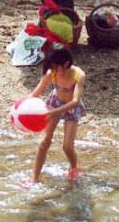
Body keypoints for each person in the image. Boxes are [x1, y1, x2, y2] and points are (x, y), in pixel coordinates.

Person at [27, 47, 86, 182]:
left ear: (66, 64)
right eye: (51, 67)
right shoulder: (51, 73)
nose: (53, 71)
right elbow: (36, 93)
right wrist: (21, 104)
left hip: (71, 107)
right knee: (44, 142)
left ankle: (74, 168)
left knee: (67, 146)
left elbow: (75, 101)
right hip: (54, 102)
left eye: (55, 67)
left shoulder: (78, 75)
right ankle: (34, 178)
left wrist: (55, 112)